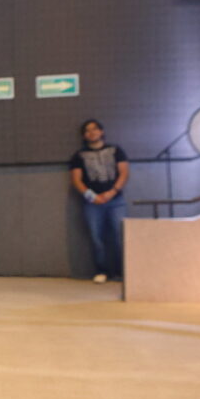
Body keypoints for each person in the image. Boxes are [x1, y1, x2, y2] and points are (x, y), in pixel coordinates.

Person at [70, 119, 130, 283]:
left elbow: (124, 173)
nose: (92, 132)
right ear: (84, 135)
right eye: (87, 130)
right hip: (92, 204)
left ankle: (121, 271)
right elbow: (76, 180)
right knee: (96, 237)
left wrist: (112, 192)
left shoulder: (116, 150)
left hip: (116, 201)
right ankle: (102, 270)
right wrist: (92, 197)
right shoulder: (78, 156)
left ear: (101, 131)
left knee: (119, 235)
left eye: (95, 129)